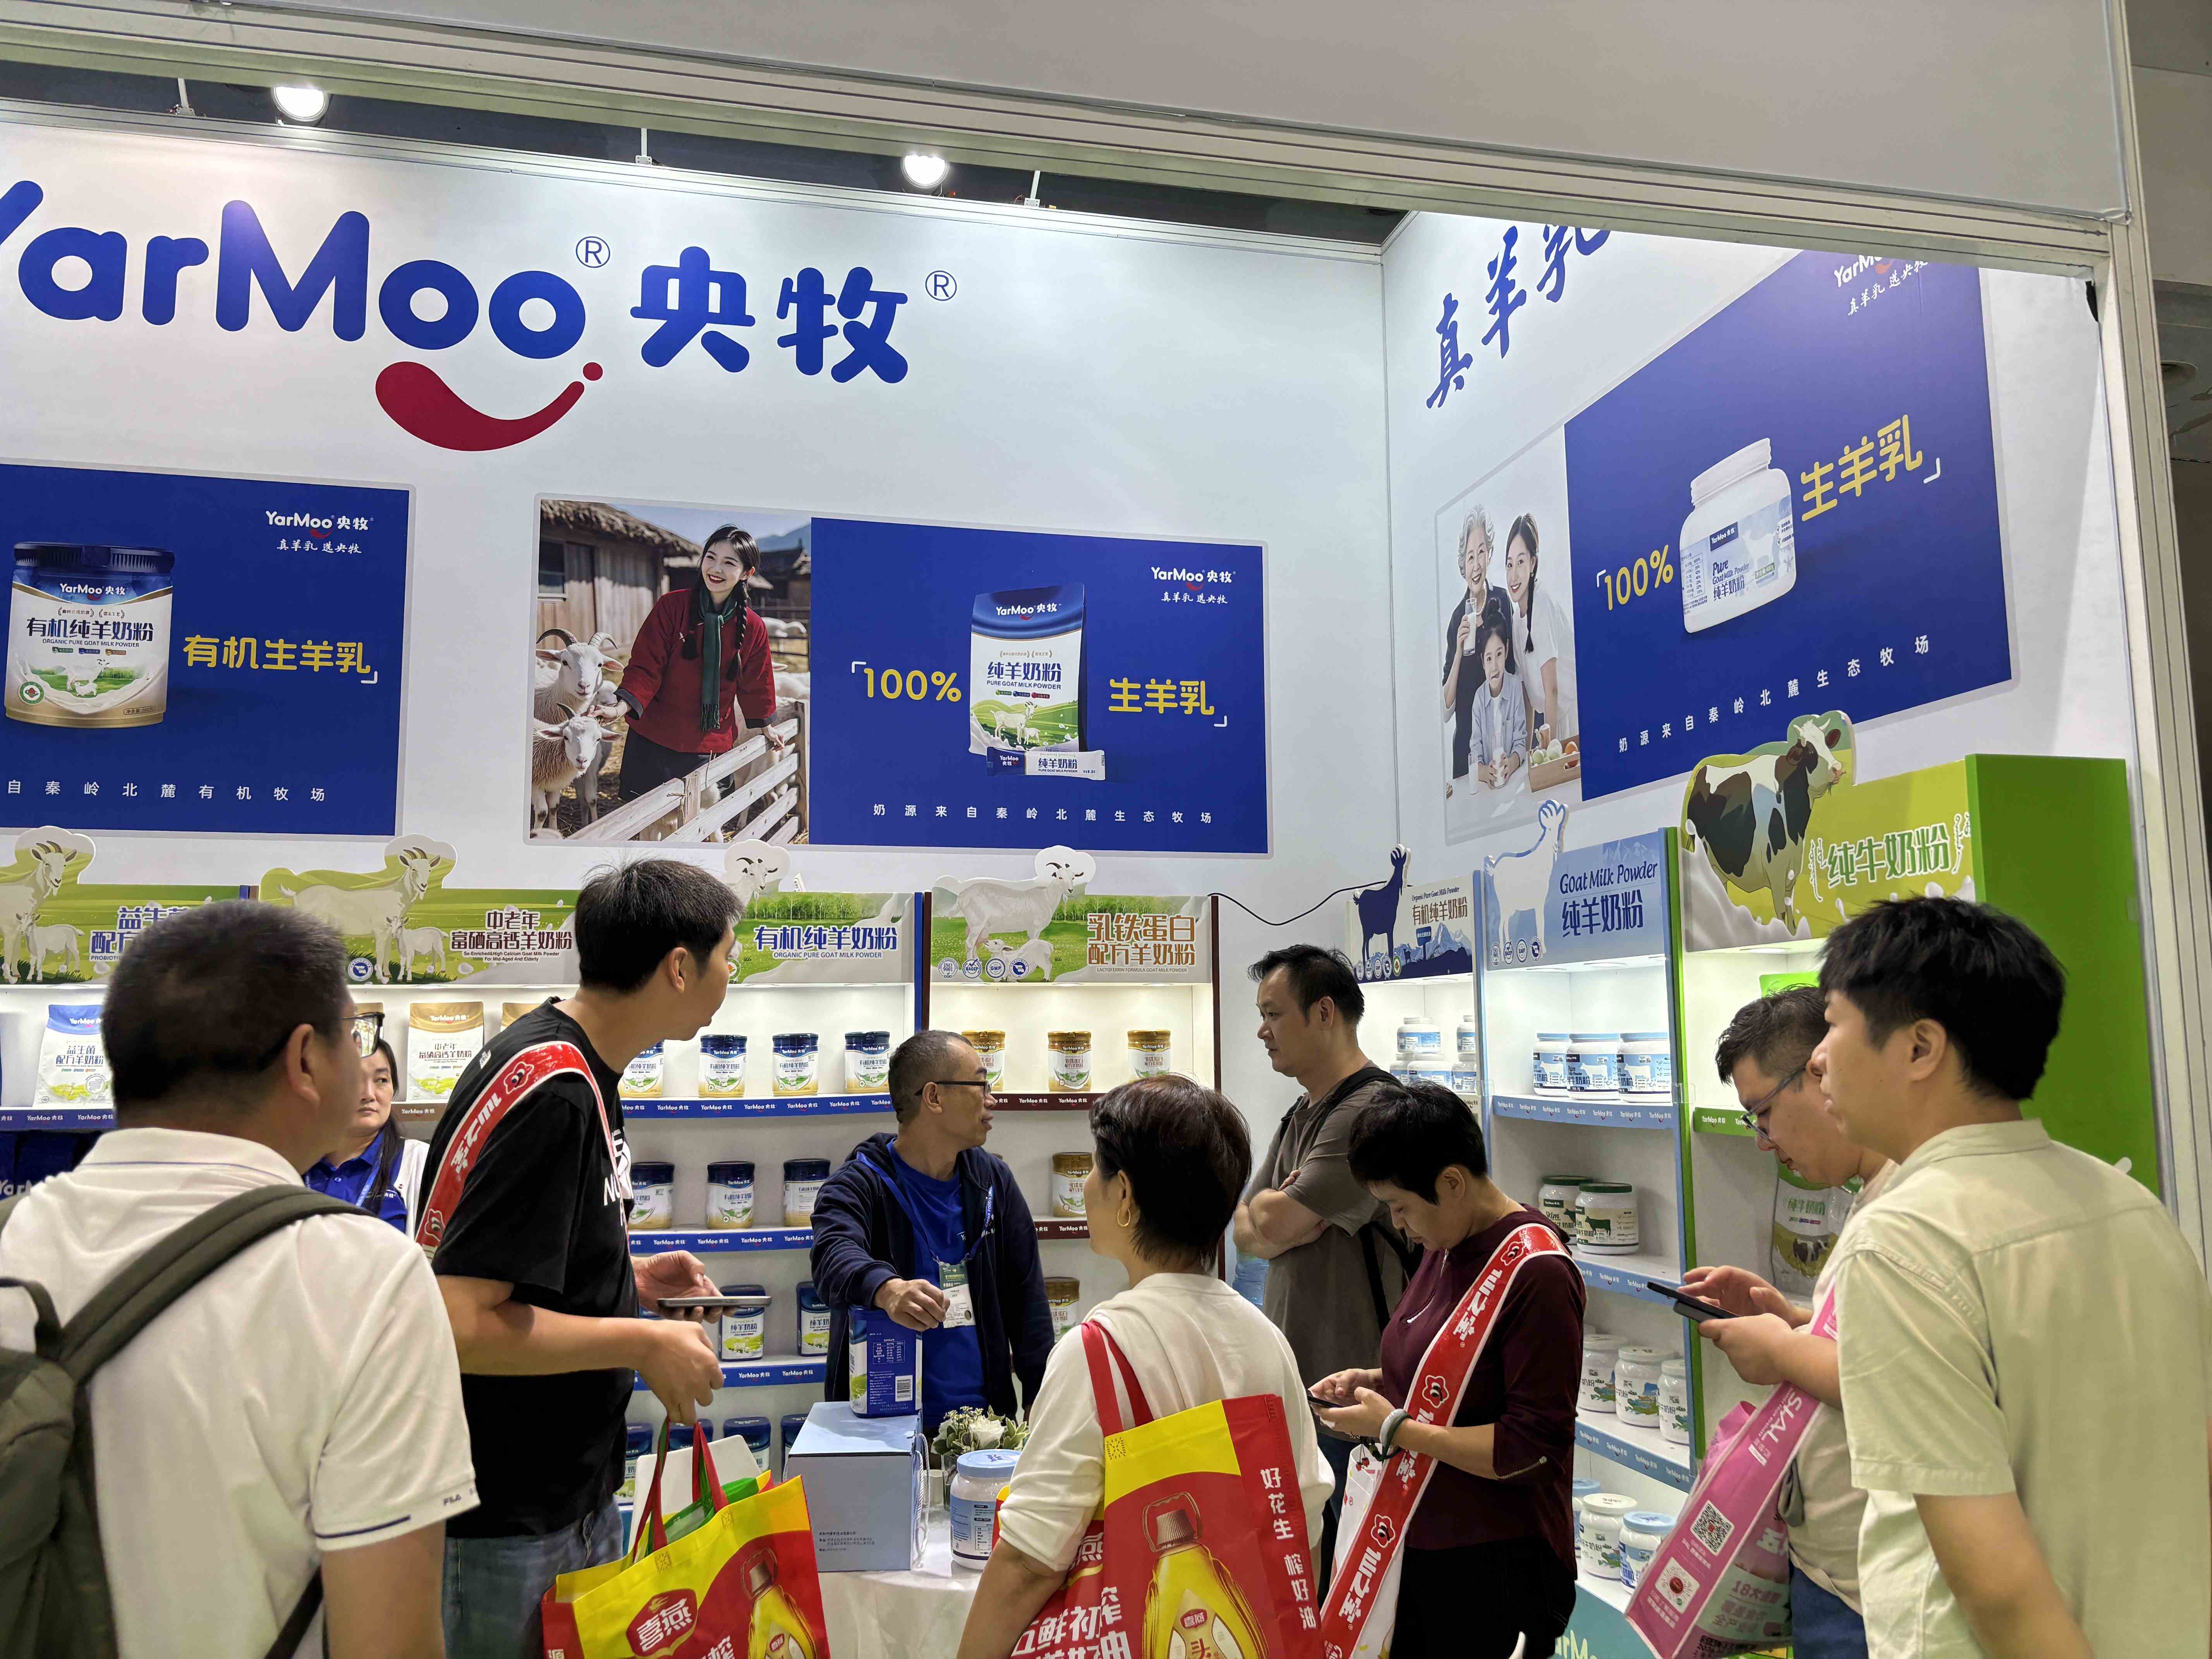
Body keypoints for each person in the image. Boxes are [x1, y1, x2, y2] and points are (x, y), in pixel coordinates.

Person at [0, 901, 476, 1659]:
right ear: (305, 1059)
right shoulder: (364, 1279)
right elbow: (390, 1643)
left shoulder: (12, 1238)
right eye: (353, 1036)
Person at [1814, 897, 2212, 1659]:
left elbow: (1997, 1585)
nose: (1817, 1058)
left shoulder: (1905, 1240)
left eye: (1832, 1024)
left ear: (1920, 1047)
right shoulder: (2132, 1205)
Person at [422, 859, 734, 1659]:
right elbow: (457, 1321)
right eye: (727, 956)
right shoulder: (555, 1092)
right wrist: (641, 1339)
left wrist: (628, 1279)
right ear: (679, 967)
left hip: (566, 1491)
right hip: (509, 1512)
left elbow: (514, 1257)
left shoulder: (576, 1065)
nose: (731, 975)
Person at [956, 1076, 1333, 1659]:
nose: (1088, 1186)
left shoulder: (1097, 1350)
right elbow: (1301, 1534)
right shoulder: (1267, 1341)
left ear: (1125, 1195)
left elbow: (1030, 1562)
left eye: (1096, 1169)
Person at [1310, 1082, 1583, 1659]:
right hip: (1420, 1542)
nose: (1398, 1224)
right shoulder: (1448, 1238)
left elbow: (1533, 1450)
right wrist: (1378, 1380)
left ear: (1453, 1183)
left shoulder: (1537, 1273)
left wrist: (1395, 1428)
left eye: (1401, 1206)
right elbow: (1460, 1368)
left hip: (1491, 1565)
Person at [1681, 986, 1894, 1659]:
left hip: (1870, 1590)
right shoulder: (1876, 1195)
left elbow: (1898, 1380)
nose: (1764, 1141)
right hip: (1838, 1571)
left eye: (1764, 1114)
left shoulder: (1908, 1210)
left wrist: (1779, 1351)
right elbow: (1881, 1340)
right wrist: (1795, 1319)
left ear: (1822, 1070)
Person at [1233, 944, 1412, 1584]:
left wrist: (1279, 1216)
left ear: (1325, 1013)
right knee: (1311, 1579)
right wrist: (1278, 1217)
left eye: (1273, 1014)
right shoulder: (1305, 1111)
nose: (1262, 1031)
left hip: (1359, 1396)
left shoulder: (1369, 1113)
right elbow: (1247, 1227)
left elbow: (1273, 1221)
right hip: (1308, 1391)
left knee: (1358, 1584)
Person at [811, 1029, 1053, 1431]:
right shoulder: (859, 1183)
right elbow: (832, 1256)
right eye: (980, 1085)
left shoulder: (994, 1181)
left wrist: (1040, 1397)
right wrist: (886, 1289)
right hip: (884, 1433)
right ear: (934, 1097)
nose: (991, 1100)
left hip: (985, 1433)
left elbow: (1027, 1299)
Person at [613, 523, 782, 804]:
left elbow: (757, 682)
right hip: (655, 735)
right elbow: (646, 666)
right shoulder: (672, 606)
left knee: (701, 818)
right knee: (646, 818)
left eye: (729, 563)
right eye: (711, 558)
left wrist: (766, 726)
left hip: (709, 742)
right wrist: (620, 706)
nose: (716, 569)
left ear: (747, 573)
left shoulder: (754, 626)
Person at [304, 1032, 426, 1231]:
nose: (369, 1095)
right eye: (353, 1079)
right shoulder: (293, 1163)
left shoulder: (419, 1161)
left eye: (382, 1080)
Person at [1439, 505, 1518, 795]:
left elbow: (1514, 672)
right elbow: (1446, 709)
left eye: (1481, 552)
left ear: (1489, 554)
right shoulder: (1456, 619)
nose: (1476, 564)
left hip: (1502, 752)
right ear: (1463, 563)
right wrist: (1459, 652)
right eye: (1470, 556)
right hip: (1468, 761)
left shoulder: (1503, 601)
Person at [1503, 512, 1577, 751]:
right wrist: (1525, 753)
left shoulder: (1542, 603)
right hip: (1553, 721)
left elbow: (1552, 691)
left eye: (1521, 562)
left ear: (1533, 564)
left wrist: (1549, 751)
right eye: (1509, 564)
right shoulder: (1516, 620)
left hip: (1571, 717)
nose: (1514, 575)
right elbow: (1528, 698)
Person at [1469, 616, 1528, 789]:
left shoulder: (1515, 687)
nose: (1494, 667)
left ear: (1507, 650)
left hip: (1514, 781)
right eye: (1489, 659)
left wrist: (1512, 762)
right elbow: (1476, 746)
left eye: (1499, 655)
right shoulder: (1479, 699)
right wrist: (1482, 771)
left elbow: (1521, 742)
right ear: (1483, 662)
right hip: (1490, 787)